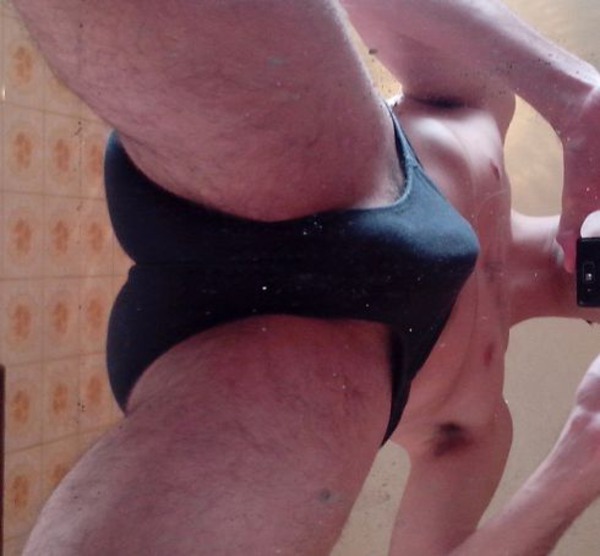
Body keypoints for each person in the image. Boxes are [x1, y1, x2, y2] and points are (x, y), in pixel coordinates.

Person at [11, 0, 600, 554]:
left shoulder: (475, 427)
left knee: (322, 395)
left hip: (288, 387)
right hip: (299, 154)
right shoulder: (484, 104)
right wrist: (574, 94)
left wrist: (582, 457)